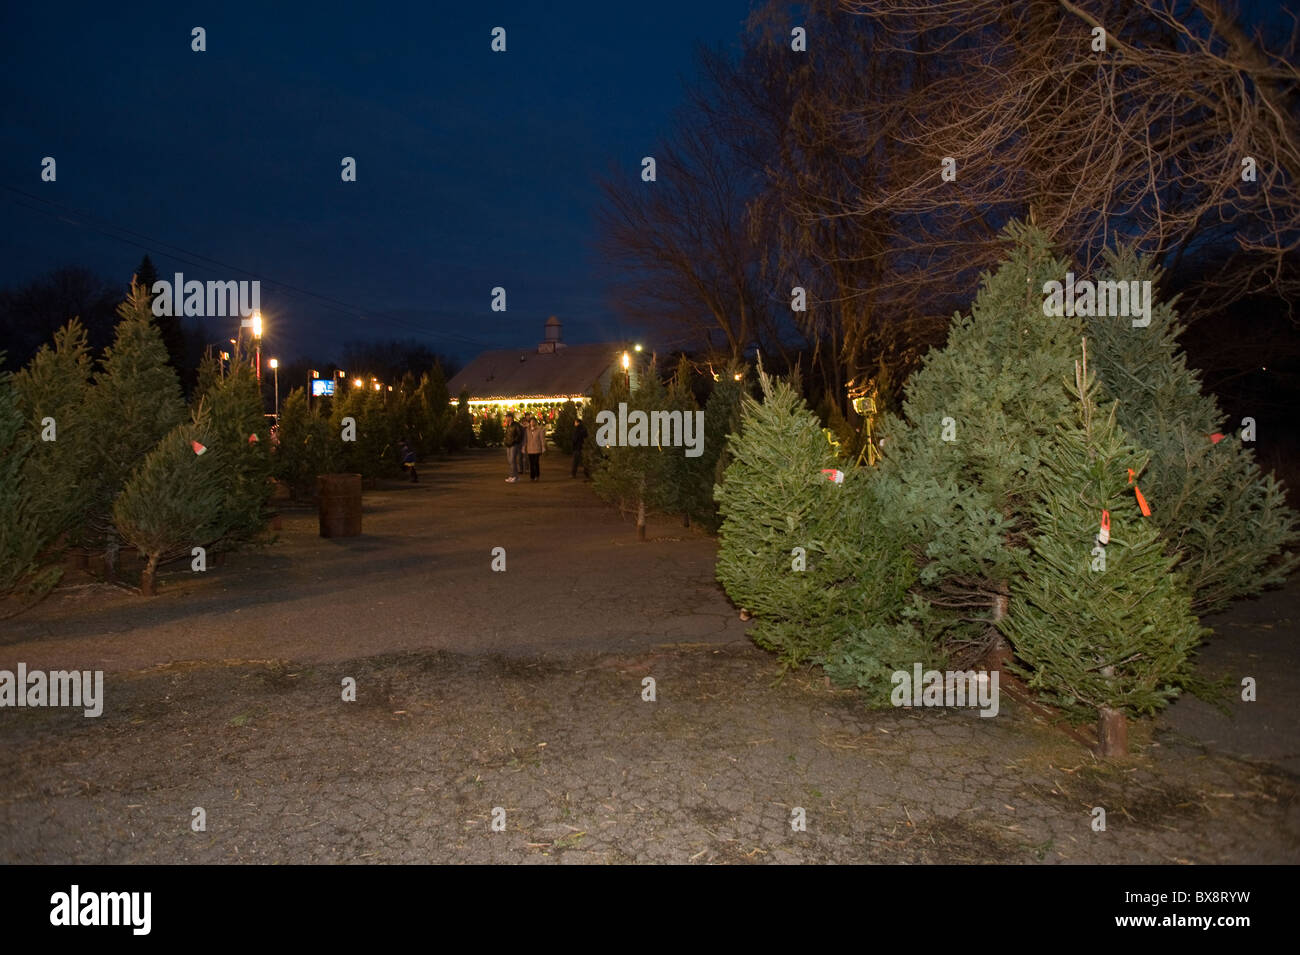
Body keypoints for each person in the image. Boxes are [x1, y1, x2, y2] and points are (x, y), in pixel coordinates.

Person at [524, 413, 545, 481]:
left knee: (536, 462)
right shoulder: (527, 430)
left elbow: (542, 439)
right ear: (529, 423)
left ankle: (537, 475)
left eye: (534, 421)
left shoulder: (540, 429)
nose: (532, 423)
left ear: (536, 422)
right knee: (531, 463)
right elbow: (525, 440)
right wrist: (524, 447)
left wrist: (543, 447)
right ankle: (532, 477)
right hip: (530, 449)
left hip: (537, 448)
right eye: (531, 421)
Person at [503, 412, 522, 483]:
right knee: (510, 461)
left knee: (512, 460)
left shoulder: (516, 425)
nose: (506, 418)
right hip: (508, 444)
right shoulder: (508, 425)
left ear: (510, 417)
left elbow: (519, 434)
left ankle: (514, 476)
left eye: (507, 417)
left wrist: (514, 441)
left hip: (514, 445)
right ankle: (513, 476)